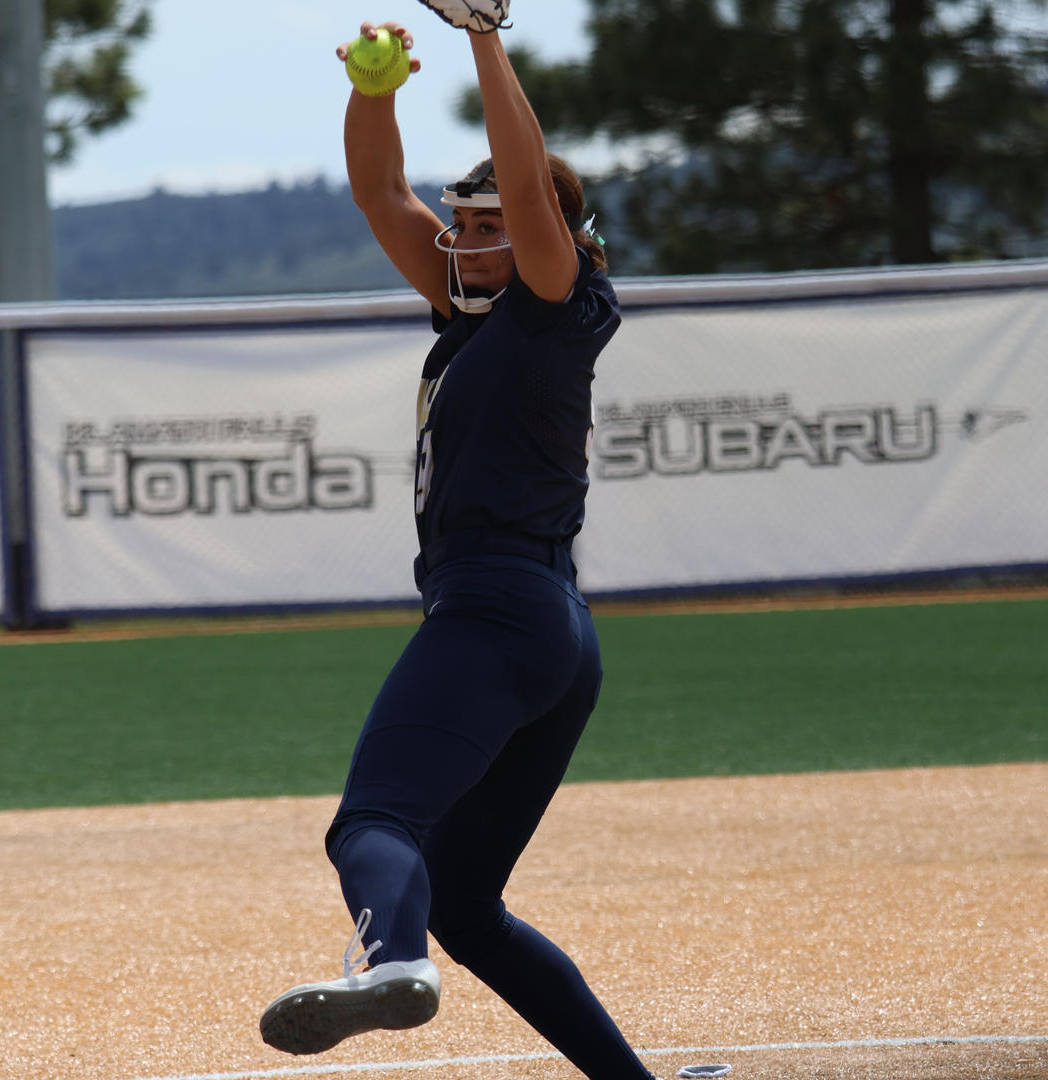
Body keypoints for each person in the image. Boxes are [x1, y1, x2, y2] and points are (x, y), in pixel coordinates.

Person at [258, 9, 652, 1080]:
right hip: (550, 630)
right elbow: (381, 196)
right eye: (463, 226)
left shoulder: (552, 305)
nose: (464, 239)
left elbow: (531, 202)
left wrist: (485, 40)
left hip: (497, 610)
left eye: (486, 229)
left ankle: (391, 958)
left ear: (557, 242)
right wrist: (372, 90)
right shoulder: (474, 315)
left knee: (373, 821)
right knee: (471, 903)